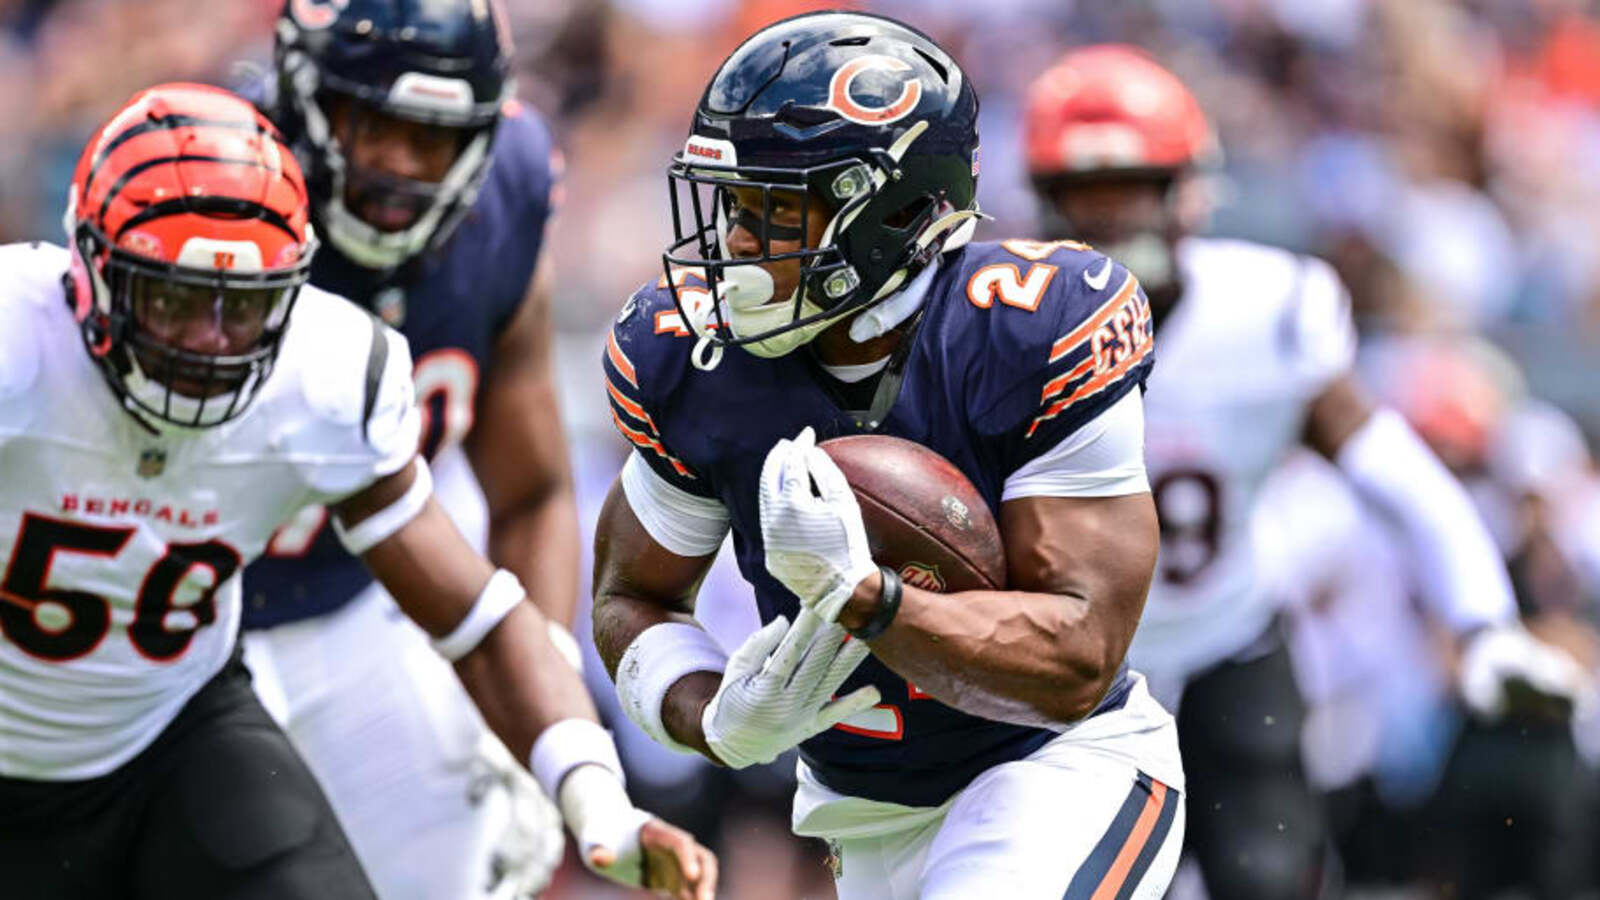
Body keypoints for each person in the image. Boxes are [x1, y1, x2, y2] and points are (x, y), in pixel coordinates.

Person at [0, 82, 715, 900]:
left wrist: (596, 801)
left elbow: (475, 619)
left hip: (169, 734)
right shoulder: (17, 346)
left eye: (244, 306)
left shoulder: (322, 372)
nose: (209, 341)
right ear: (90, 269)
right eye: (172, 298)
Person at [591, 12, 1185, 900]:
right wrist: (712, 714)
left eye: (779, 207)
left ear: (898, 211)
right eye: (736, 205)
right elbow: (630, 594)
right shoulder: (696, 356)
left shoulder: (1030, 328)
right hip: (855, 808)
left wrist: (866, 599)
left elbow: (1078, 658)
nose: (741, 241)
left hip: (1055, 765)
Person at [1022, 44, 1589, 900]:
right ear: (1046, 202)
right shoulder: (1002, 331)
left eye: (1134, 193)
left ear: (1191, 193)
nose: (1113, 226)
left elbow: (1396, 471)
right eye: (1088, 199)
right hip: (1066, 665)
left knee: (1270, 877)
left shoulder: (1268, 314)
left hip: (1228, 639)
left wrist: (1483, 622)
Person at [239, 1, 577, 896]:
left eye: (431, 136)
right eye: (372, 122)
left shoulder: (506, 187)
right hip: (187, 623)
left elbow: (533, 494)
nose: (396, 163)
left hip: (360, 611)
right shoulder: (219, 185)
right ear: (305, 100)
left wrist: (539, 690)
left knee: (452, 872)